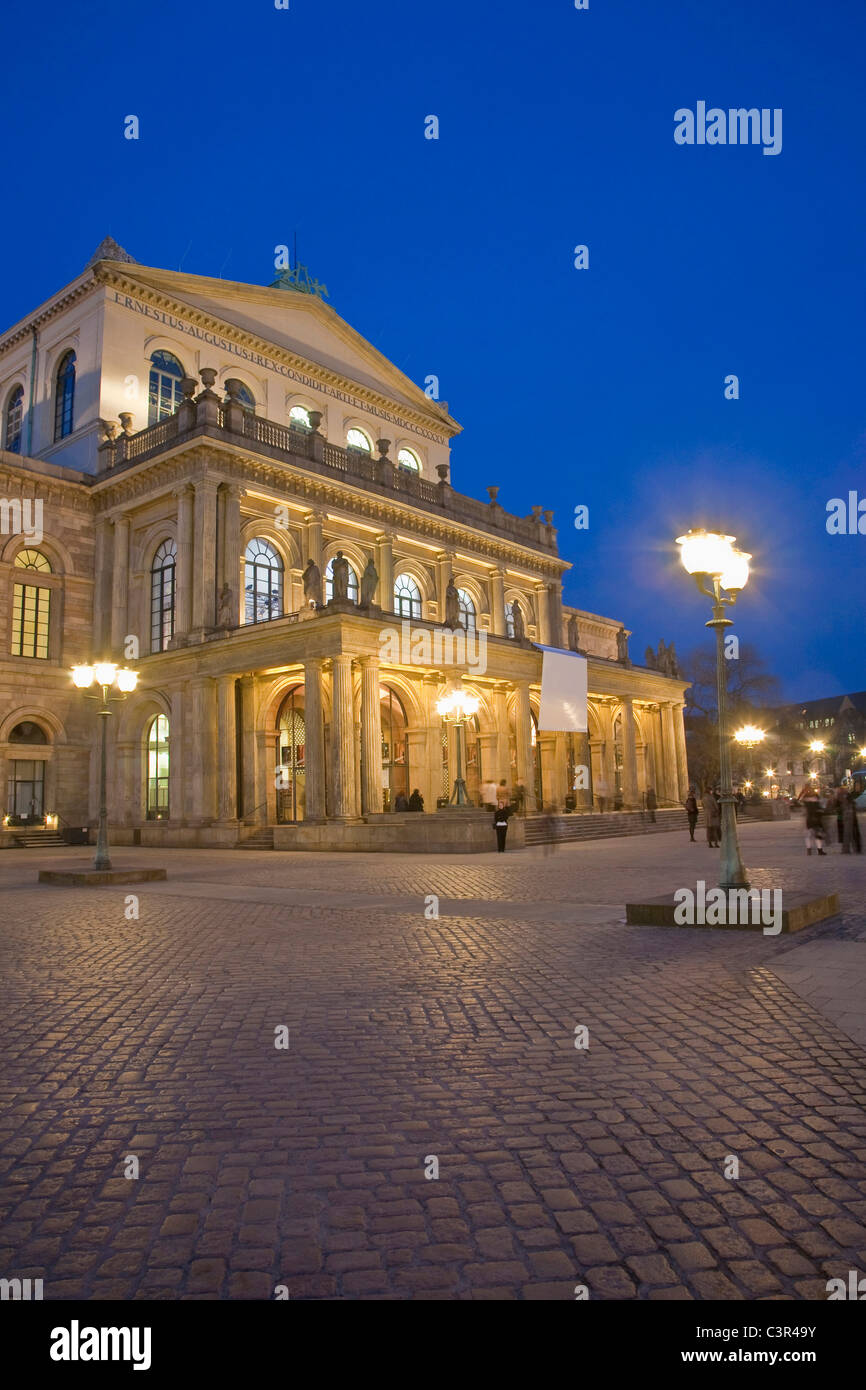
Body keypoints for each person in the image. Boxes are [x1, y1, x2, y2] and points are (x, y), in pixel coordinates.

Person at [802, 788, 826, 855]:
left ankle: (809, 850)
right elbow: (820, 809)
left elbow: (804, 808)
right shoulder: (816, 801)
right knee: (817, 835)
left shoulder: (806, 801)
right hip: (816, 818)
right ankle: (819, 850)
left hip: (809, 819)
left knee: (808, 835)